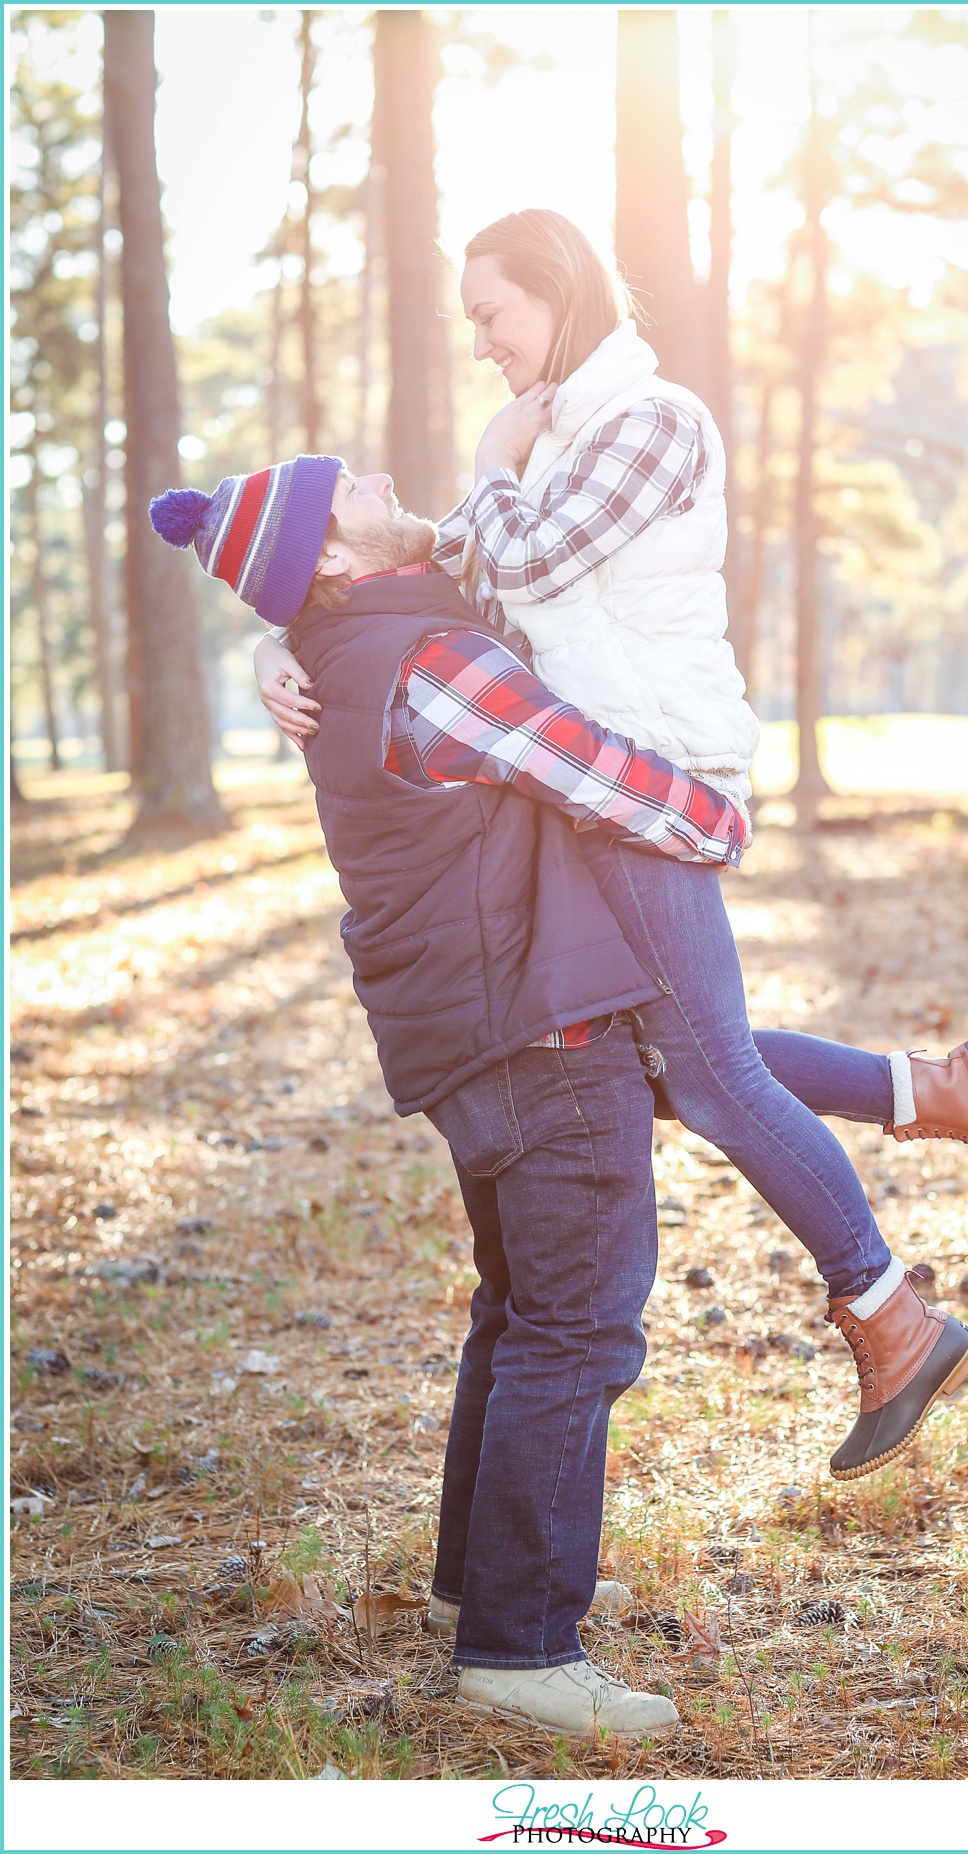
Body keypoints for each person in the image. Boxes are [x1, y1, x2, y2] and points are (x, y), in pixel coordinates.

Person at [257, 212, 968, 1476]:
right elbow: (445, 582)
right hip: (602, 782)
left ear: (555, 294)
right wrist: (283, 639)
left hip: (648, 776)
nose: (480, 345)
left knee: (711, 1074)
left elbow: (529, 556)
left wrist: (487, 460)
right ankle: (933, 1091)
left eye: (490, 315)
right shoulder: (566, 434)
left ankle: (894, 1318)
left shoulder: (649, 423)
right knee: (676, 1061)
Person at [151, 453, 759, 1736]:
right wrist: (721, 820)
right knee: (578, 1326)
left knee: (518, 1310)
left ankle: (471, 1590)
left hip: (472, 1027)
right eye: (349, 486)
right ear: (332, 557)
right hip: (541, 1026)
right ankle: (523, 1649)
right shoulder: (428, 660)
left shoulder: (363, 645)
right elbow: (589, 765)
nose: (376, 471)